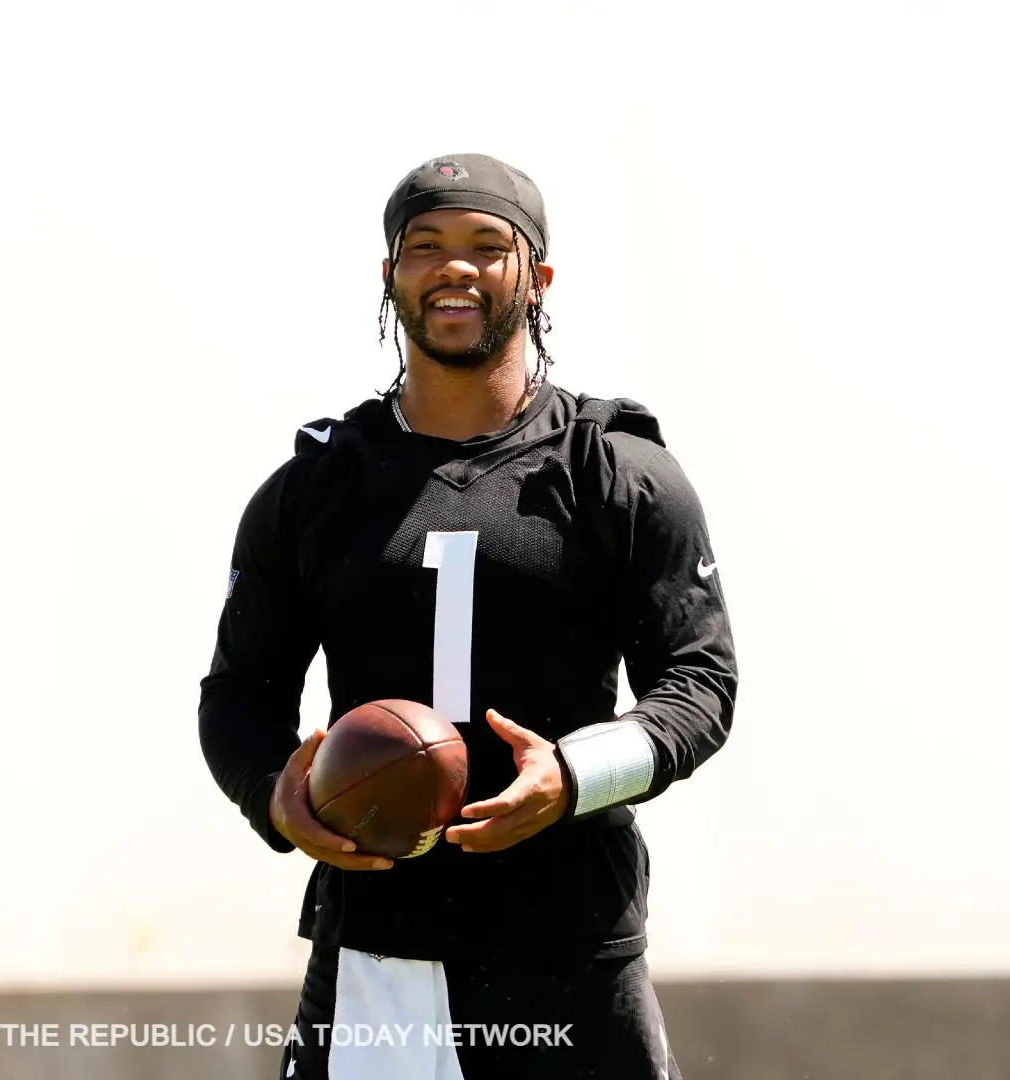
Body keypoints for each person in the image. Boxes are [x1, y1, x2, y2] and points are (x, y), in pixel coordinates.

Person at [198, 153, 737, 1079]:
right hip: (378, 952)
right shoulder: (315, 486)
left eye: (489, 246)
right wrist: (275, 796)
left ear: (537, 277)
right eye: (425, 247)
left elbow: (700, 686)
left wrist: (571, 776)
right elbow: (238, 696)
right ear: (390, 276)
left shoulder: (618, 471)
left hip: (571, 951)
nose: (455, 267)